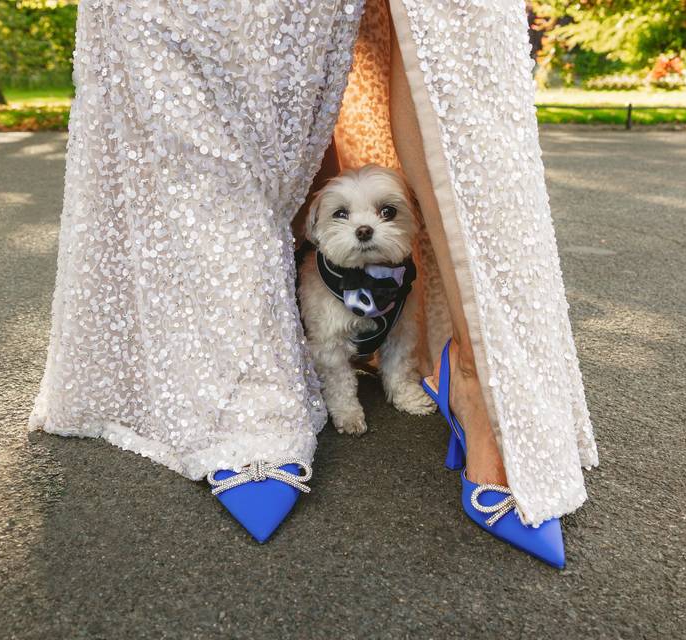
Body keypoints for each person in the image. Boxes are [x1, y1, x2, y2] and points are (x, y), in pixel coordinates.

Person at [31, 0, 598, 566]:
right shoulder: (319, 274)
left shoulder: (398, 276)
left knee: (450, 43)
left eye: (386, 213)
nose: (368, 227)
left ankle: (476, 376)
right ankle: (248, 380)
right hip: (326, 327)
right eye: (345, 217)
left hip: (390, 321)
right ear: (319, 225)